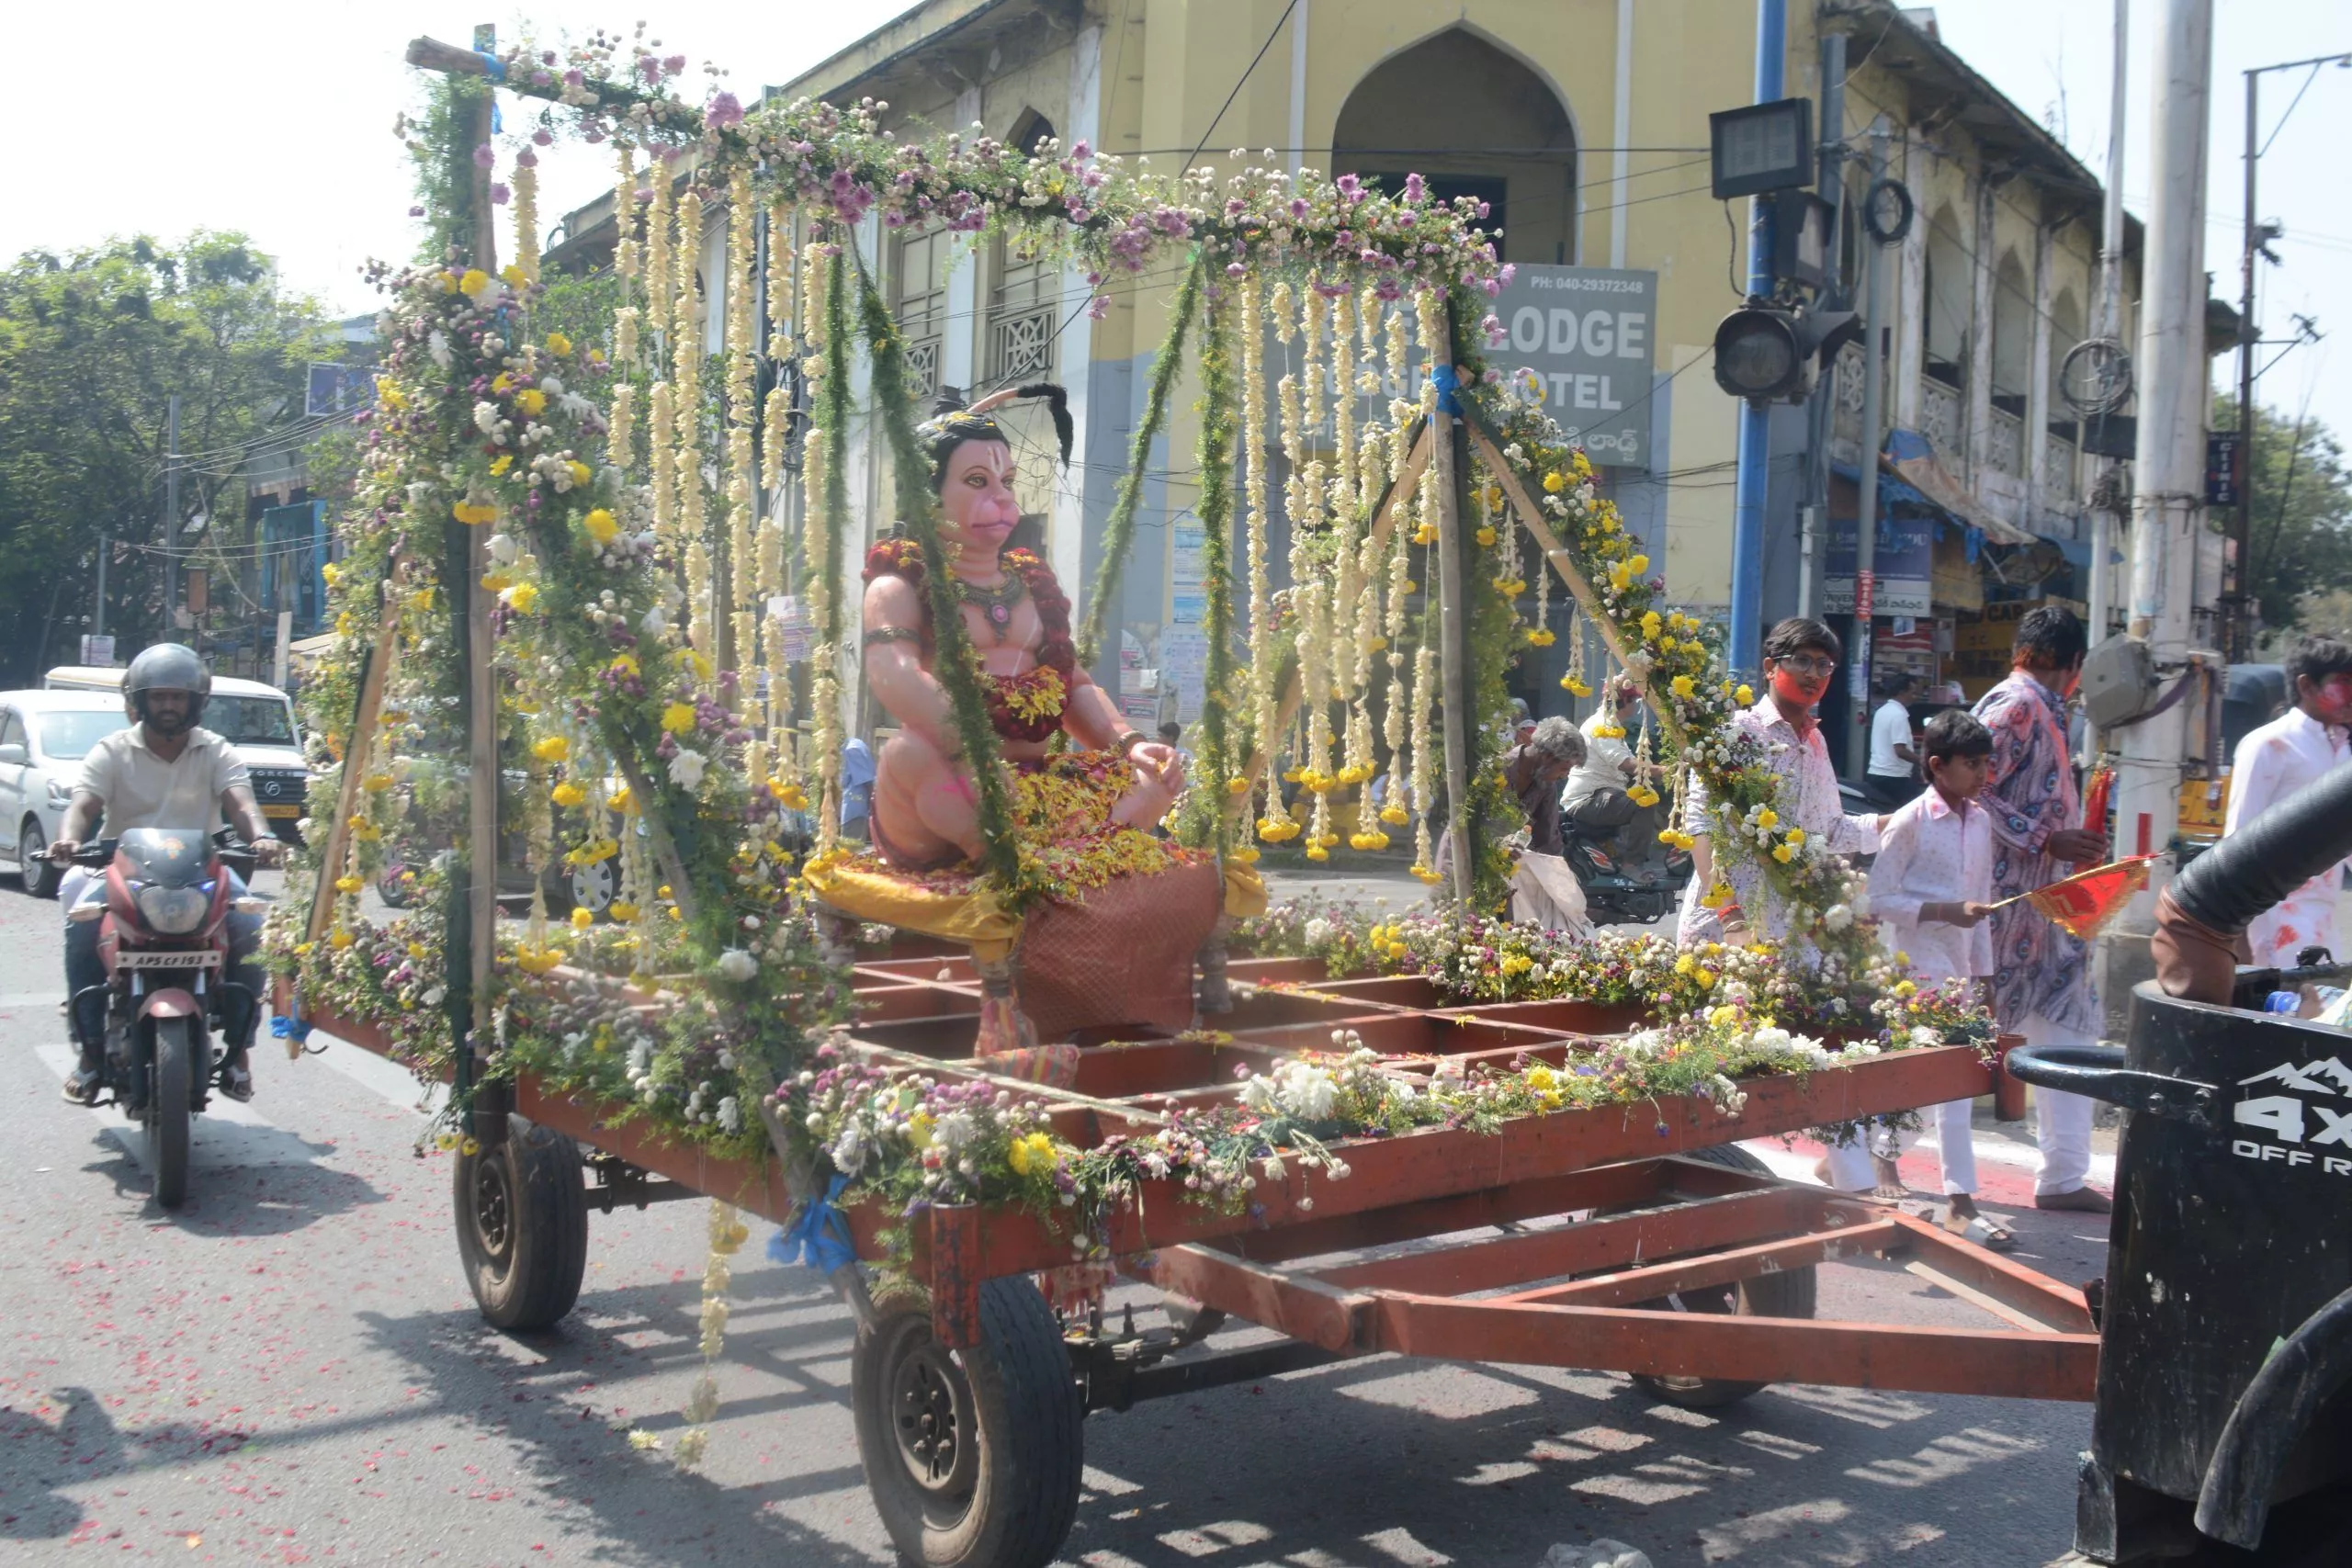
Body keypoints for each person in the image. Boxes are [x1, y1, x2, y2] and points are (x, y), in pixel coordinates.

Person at [860, 387, 1183, 868]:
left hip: (1038, 787)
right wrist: (974, 749)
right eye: (976, 481)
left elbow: (1070, 683)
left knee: (1152, 776)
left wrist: (1129, 743)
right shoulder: (901, 582)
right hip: (953, 787)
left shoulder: (1030, 583)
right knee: (907, 753)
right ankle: (1015, 869)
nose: (1002, 498)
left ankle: (1068, 860)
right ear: (927, 494)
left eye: (1006, 481)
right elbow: (895, 675)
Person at [50, 643, 285, 1103]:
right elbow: (83, 805)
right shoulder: (112, 750)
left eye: (178, 697)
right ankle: (90, 1053)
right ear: (139, 701)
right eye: (159, 697)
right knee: (81, 927)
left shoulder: (215, 749)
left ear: (197, 701)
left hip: (200, 871)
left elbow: (241, 802)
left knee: (250, 928)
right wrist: (70, 840)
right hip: (122, 870)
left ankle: (239, 1052)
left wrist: (261, 836)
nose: (169, 706)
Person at [1973, 604, 2110, 1213]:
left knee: (2075, 1028)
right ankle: (1873, 1149)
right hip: (2005, 909)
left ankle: (2062, 1175)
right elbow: (1967, 787)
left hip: (2045, 910)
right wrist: (2044, 838)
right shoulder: (2017, 706)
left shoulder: (2040, 708)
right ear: (2073, 664)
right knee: (1957, 1035)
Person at [1860, 709, 2013, 1247]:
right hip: (1913, 965)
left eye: (1985, 764)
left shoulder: (1980, 821)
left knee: (1956, 1080)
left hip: (1961, 968)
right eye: (1972, 764)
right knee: (1930, 1077)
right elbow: (1878, 899)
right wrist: (1944, 911)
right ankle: (1908, 1179)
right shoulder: (1911, 820)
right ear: (1936, 766)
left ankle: (1949, 1195)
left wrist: (1987, 975)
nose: (1981, 774)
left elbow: (1983, 905)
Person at [1679, 617, 1884, 946]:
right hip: (1726, 928)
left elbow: (1831, 831)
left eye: (1824, 665)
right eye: (1802, 661)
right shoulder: (1736, 733)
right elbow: (1700, 826)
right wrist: (1730, 915)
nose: (1814, 674)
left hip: (1790, 929)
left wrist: (1907, 820)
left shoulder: (1816, 743)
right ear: (1770, 667)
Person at [2223, 631, 2352, 966]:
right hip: (2271, 924)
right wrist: (2238, 945)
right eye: (2344, 682)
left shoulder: (2343, 753)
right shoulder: (2268, 746)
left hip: (2322, 926)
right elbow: (2236, 845)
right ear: (2307, 686)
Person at [1503, 716, 1590, 932]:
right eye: (1564, 768)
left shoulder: (1546, 784)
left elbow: (1547, 839)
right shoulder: (1498, 769)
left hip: (1507, 872)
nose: (1564, 776)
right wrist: (1499, 845)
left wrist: (1560, 883)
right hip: (1467, 866)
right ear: (1547, 757)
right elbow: (1473, 825)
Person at [1867, 671, 1923, 809]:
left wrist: (1920, 744)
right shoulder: (1899, 715)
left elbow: (1892, 741)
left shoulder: (1882, 711)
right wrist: (1924, 762)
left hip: (1876, 774)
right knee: (1915, 811)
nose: (1914, 697)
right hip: (1894, 778)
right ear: (1902, 692)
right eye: (1912, 692)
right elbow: (1900, 750)